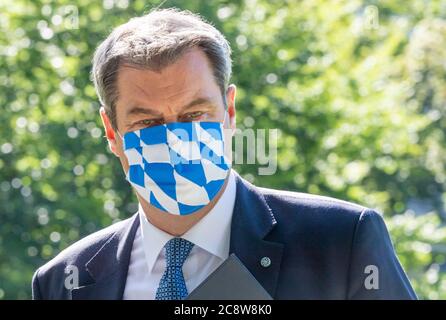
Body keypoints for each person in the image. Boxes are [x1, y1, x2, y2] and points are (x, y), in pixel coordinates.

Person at [32, 8, 416, 300]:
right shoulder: (65, 280)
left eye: (195, 115)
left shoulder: (340, 243)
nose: (176, 138)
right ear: (111, 132)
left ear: (229, 112)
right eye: (147, 124)